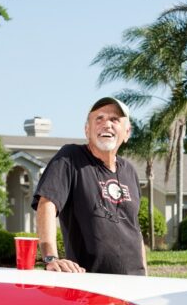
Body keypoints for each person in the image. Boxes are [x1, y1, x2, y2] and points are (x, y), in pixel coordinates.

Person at [32, 97, 148, 275]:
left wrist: (145, 274)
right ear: (87, 130)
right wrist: (50, 258)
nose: (106, 124)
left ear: (127, 133)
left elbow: (135, 229)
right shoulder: (70, 158)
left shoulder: (130, 171)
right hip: (89, 283)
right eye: (99, 119)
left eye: (114, 119)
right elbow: (47, 204)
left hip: (134, 283)